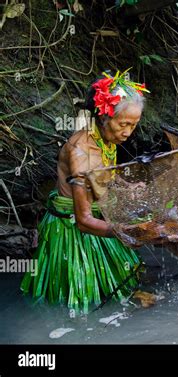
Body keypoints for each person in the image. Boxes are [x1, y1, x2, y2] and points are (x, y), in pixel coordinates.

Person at [21, 70, 149, 314]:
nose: (128, 132)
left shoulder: (105, 138)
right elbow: (83, 221)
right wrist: (128, 232)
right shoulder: (81, 151)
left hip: (98, 218)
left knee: (118, 287)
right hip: (73, 232)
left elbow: (103, 174)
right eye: (123, 124)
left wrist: (127, 187)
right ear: (103, 117)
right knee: (81, 301)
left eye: (133, 125)